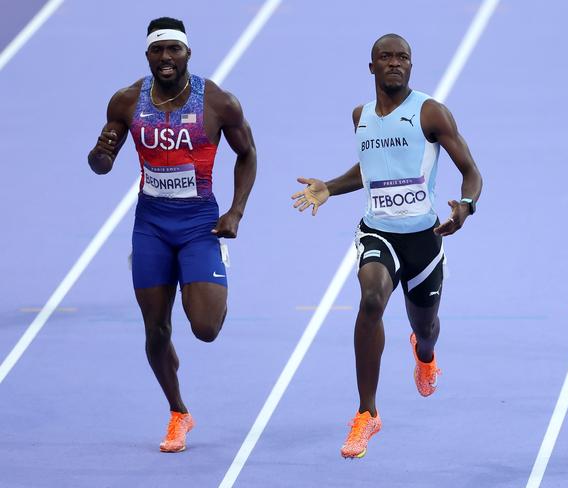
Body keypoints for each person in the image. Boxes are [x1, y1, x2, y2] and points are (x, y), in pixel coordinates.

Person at [291, 33, 482, 459]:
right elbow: (370, 169)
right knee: (371, 300)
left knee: (426, 326)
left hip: (424, 241)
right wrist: (330, 187)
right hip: (377, 232)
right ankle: (366, 413)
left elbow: (470, 170)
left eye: (403, 58)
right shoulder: (361, 115)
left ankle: (425, 354)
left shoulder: (430, 113)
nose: (395, 63)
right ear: (371, 66)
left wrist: (465, 207)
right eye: (386, 57)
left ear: (411, 66)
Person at [87, 17, 256, 453]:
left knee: (204, 328)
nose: (166, 58)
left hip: (200, 223)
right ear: (148, 56)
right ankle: (178, 412)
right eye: (158, 51)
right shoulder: (126, 102)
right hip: (151, 225)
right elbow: (103, 159)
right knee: (156, 330)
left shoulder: (218, 102)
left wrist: (236, 210)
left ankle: (210, 267)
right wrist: (100, 155)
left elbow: (247, 154)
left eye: (174, 50)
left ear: (187, 54)